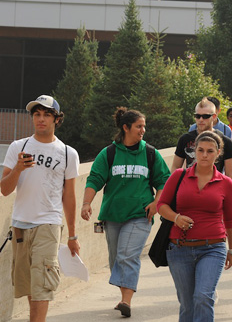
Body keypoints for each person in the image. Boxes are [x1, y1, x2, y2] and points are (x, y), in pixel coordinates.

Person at [81, 107, 170, 317]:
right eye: (139, 126)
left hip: (140, 215)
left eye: (144, 126)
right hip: (113, 215)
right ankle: (123, 297)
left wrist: (157, 202)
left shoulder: (150, 153)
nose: (143, 130)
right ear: (125, 127)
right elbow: (94, 179)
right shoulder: (109, 153)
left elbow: (164, 180)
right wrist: (86, 203)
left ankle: (126, 301)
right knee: (115, 259)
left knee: (127, 255)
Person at [1, 95, 80, 322]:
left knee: (43, 285)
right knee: (29, 285)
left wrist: (73, 235)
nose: (41, 119)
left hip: (49, 223)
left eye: (47, 114)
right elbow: (5, 190)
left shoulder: (67, 153)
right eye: (37, 114)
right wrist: (17, 168)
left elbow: (70, 196)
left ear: (57, 119)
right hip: (20, 225)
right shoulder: (18, 147)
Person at [157, 131, 232, 322]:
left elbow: (231, 219)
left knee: (203, 297)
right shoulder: (178, 176)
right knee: (187, 304)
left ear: (218, 153)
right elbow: (161, 205)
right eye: (200, 150)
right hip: (179, 248)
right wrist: (176, 218)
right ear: (194, 151)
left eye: (210, 151)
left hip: (213, 247)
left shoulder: (226, 183)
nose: (204, 155)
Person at [172, 98, 232, 179]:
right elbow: (175, 167)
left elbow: (230, 175)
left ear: (214, 117)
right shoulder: (185, 139)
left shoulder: (225, 142)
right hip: (189, 187)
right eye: (197, 116)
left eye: (205, 116)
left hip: (215, 187)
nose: (201, 120)